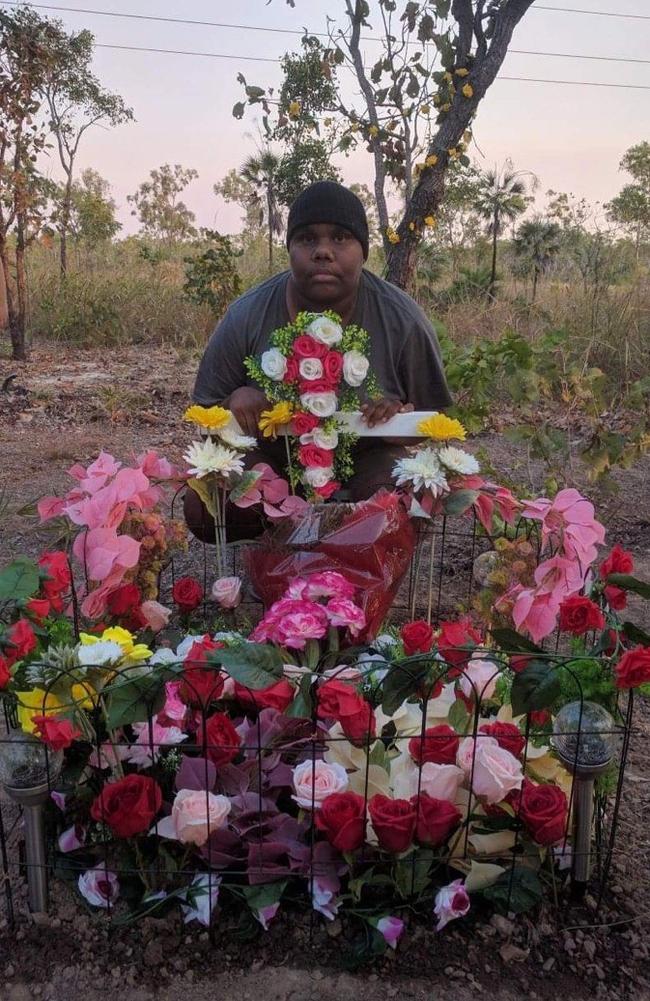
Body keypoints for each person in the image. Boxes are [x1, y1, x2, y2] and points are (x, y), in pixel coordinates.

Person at [185, 180, 452, 541]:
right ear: (290, 249)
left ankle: (360, 571)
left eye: (340, 238)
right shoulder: (247, 314)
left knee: (406, 499)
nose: (323, 251)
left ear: (363, 251)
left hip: (366, 463)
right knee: (206, 504)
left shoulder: (403, 319)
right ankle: (274, 552)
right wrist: (232, 403)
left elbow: (438, 421)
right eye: (307, 239)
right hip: (273, 462)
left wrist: (400, 425)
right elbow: (204, 412)